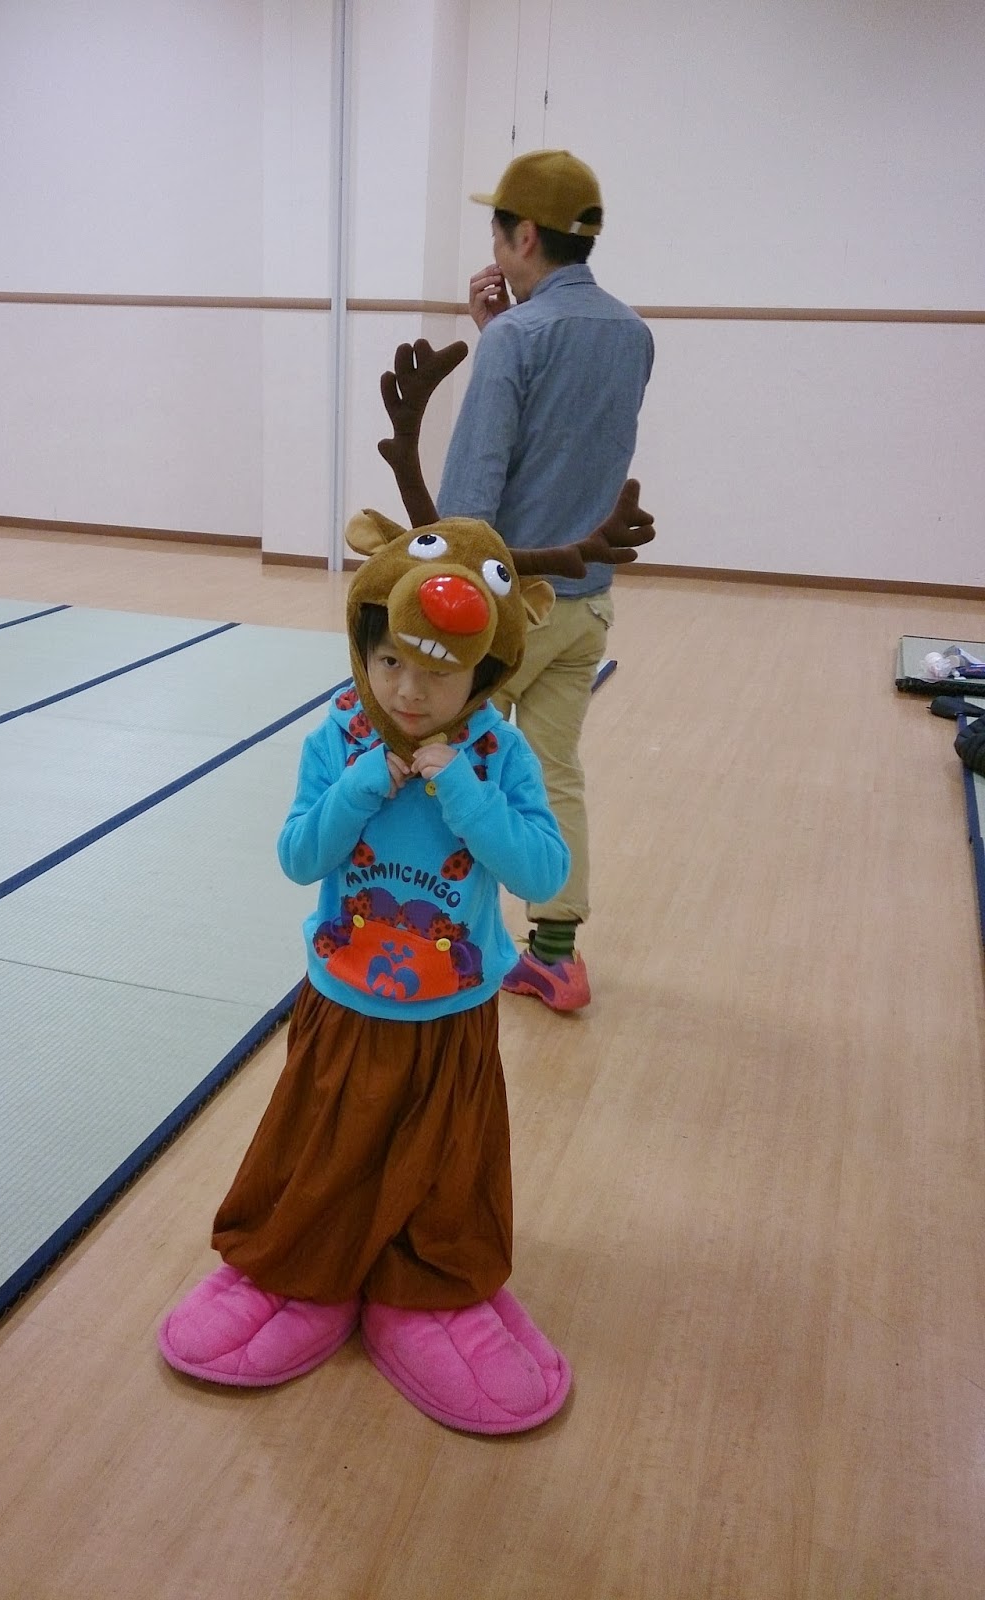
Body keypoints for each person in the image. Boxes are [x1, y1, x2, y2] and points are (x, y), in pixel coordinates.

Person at [158, 508, 575, 1434]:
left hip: (451, 1012)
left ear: (486, 670)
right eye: (390, 661)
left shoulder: (498, 752)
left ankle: (426, 1284)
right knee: (320, 1149)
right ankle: (300, 1266)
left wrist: (462, 790)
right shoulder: (340, 735)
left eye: (439, 672)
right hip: (343, 1001)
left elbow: (546, 874)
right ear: (364, 645)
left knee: (444, 1163)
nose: (409, 692)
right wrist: (362, 785)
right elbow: (298, 856)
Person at [437, 148, 655, 1012]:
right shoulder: (632, 334)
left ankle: (441, 935)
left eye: (498, 230)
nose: (493, 246)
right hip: (587, 606)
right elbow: (568, 435)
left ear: (524, 235)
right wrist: (503, 333)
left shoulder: (518, 339)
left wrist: (501, 341)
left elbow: (472, 495)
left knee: (446, 764)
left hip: (509, 610)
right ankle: (557, 957)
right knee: (554, 772)